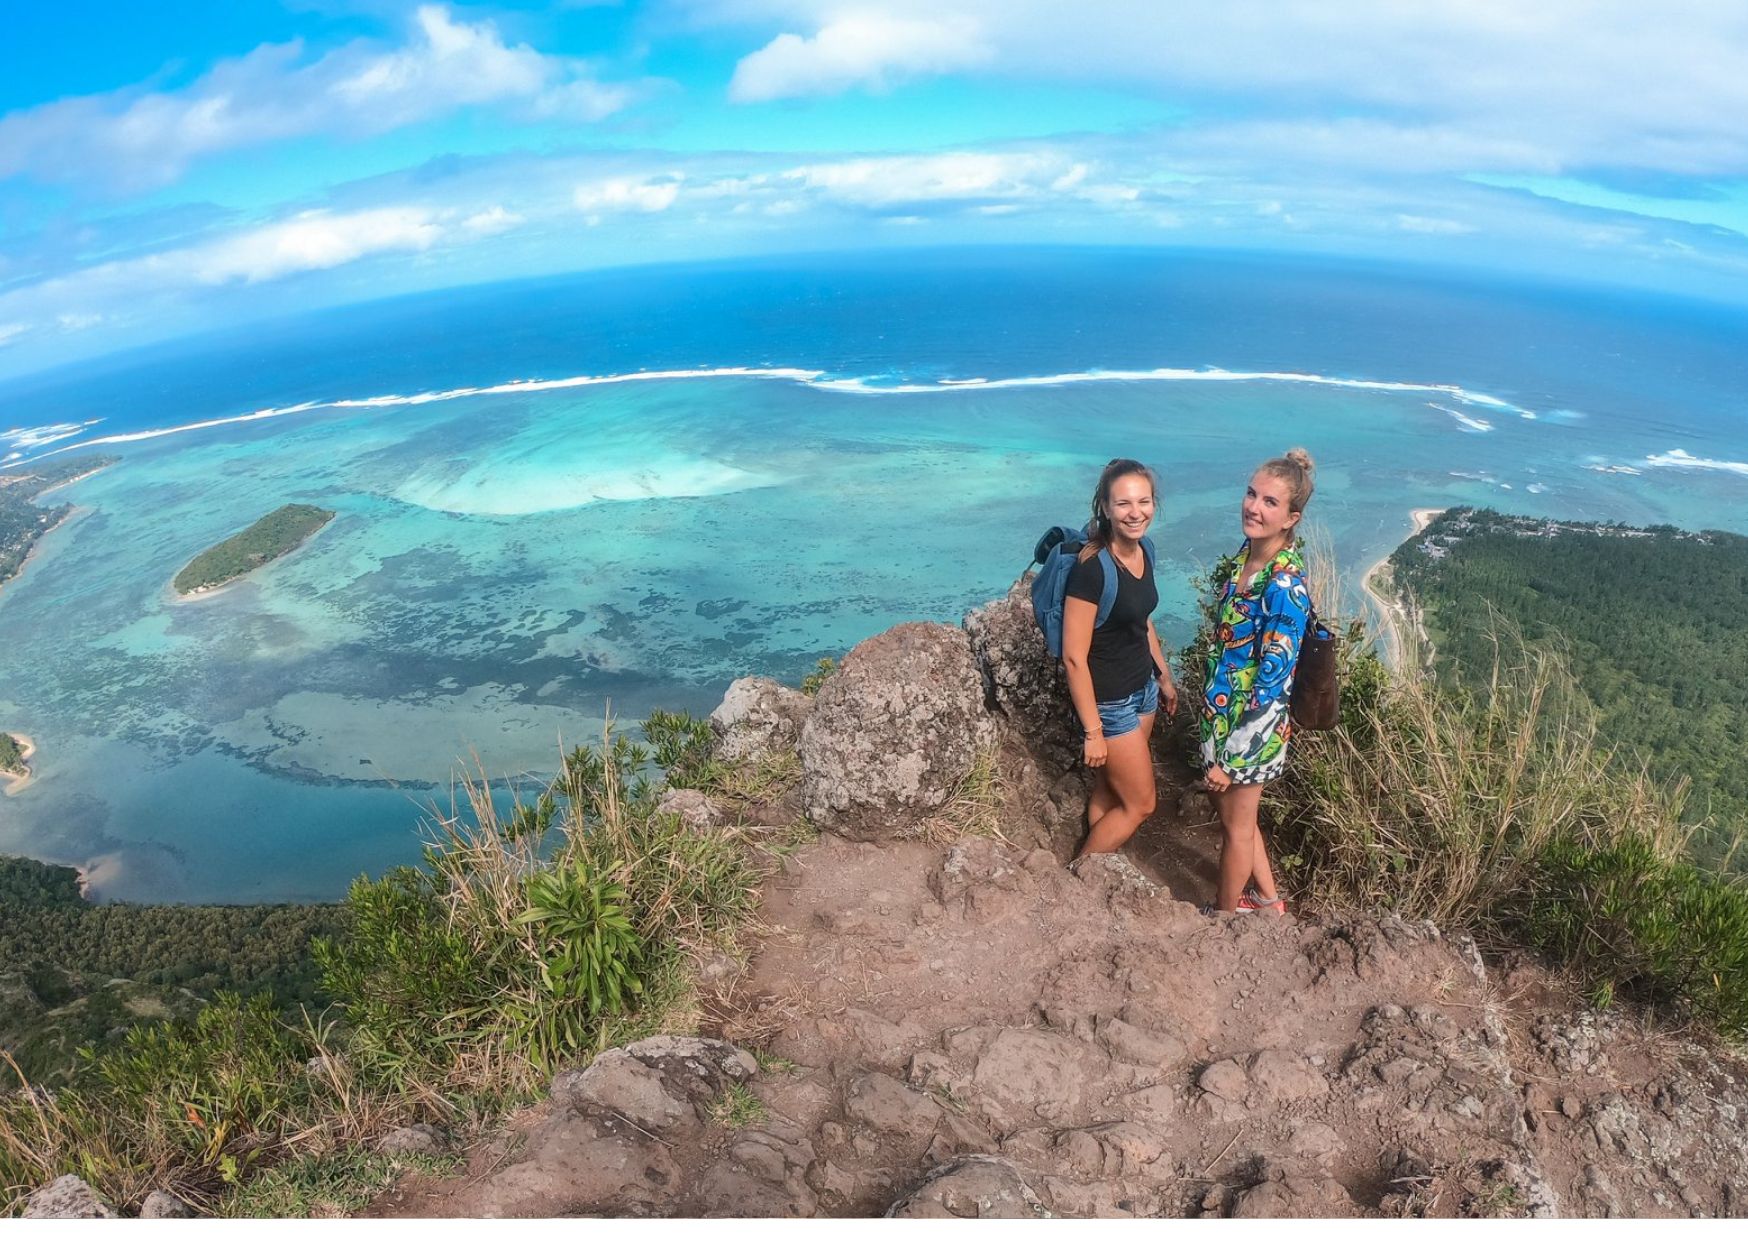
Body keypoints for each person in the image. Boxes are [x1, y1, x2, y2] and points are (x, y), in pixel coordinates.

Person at [1199, 448, 1317, 914]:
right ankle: (1268, 901)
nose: (1254, 507)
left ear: (1291, 518)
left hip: (1250, 732)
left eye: (1270, 502)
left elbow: (1272, 686)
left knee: (1235, 829)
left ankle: (1224, 917)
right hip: (1223, 716)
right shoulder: (1245, 563)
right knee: (1241, 823)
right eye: (1251, 494)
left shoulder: (1284, 587)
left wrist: (1231, 760)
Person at [1063, 458, 1178, 861]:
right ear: (1106, 508)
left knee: (1112, 789)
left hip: (1143, 689)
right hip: (1110, 703)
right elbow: (1073, 657)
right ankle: (1076, 879)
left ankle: (1101, 864)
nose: (1136, 513)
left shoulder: (1145, 549)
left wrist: (1163, 678)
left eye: (1143, 502)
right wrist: (1093, 730)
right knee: (1141, 804)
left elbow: (1142, 621)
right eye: (1124, 504)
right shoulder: (1092, 570)